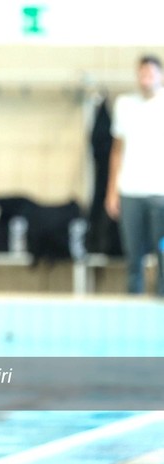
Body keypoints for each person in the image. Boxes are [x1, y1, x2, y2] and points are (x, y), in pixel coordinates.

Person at [105, 54, 164, 296]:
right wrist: (112, 191)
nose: (145, 79)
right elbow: (116, 151)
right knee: (133, 257)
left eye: (150, 74)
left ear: (160, 76)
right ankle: (134, 307)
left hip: (161, 195)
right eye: (142, 74)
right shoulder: (124, 104)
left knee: (163, 255)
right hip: (130, 192)